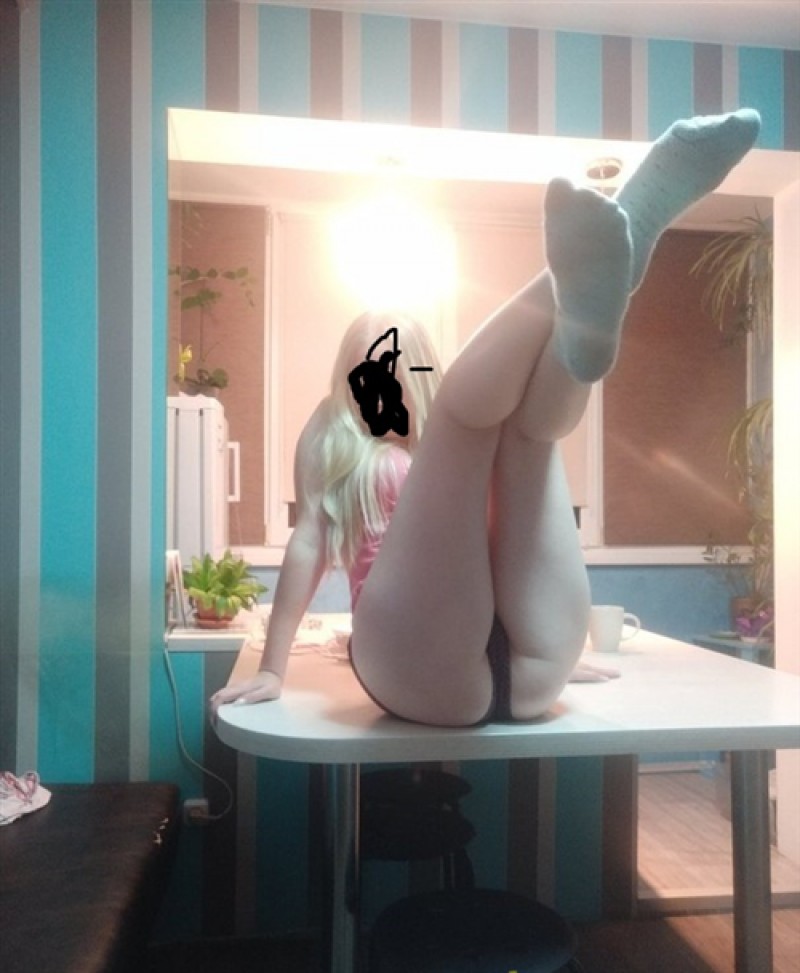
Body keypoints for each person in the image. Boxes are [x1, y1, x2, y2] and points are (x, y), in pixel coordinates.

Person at [211, 109, 761, 726]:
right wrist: (272, 667)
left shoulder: (450, 424)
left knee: (526, 433)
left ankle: (585, 320)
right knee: (491, 426)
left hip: (527, 661)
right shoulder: (334, 430)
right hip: (440, 661)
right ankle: (617, 242)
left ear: (416, 374)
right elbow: (308, 542)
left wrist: (569, 658)